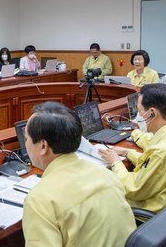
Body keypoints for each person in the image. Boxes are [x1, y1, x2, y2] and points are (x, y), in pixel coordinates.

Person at [22, 101, 135, 246]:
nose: (25, 144)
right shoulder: (106, 173)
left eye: (27, 138)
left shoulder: (40, 200)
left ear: (43, 146)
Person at [99, 84, 166, 213]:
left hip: (153, 214)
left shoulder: (162, 150)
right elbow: (157, 166)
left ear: (152, 113)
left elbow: (133, 189)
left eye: (140, 111)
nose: (138, 116)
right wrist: (127, 152)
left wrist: (115, 162)